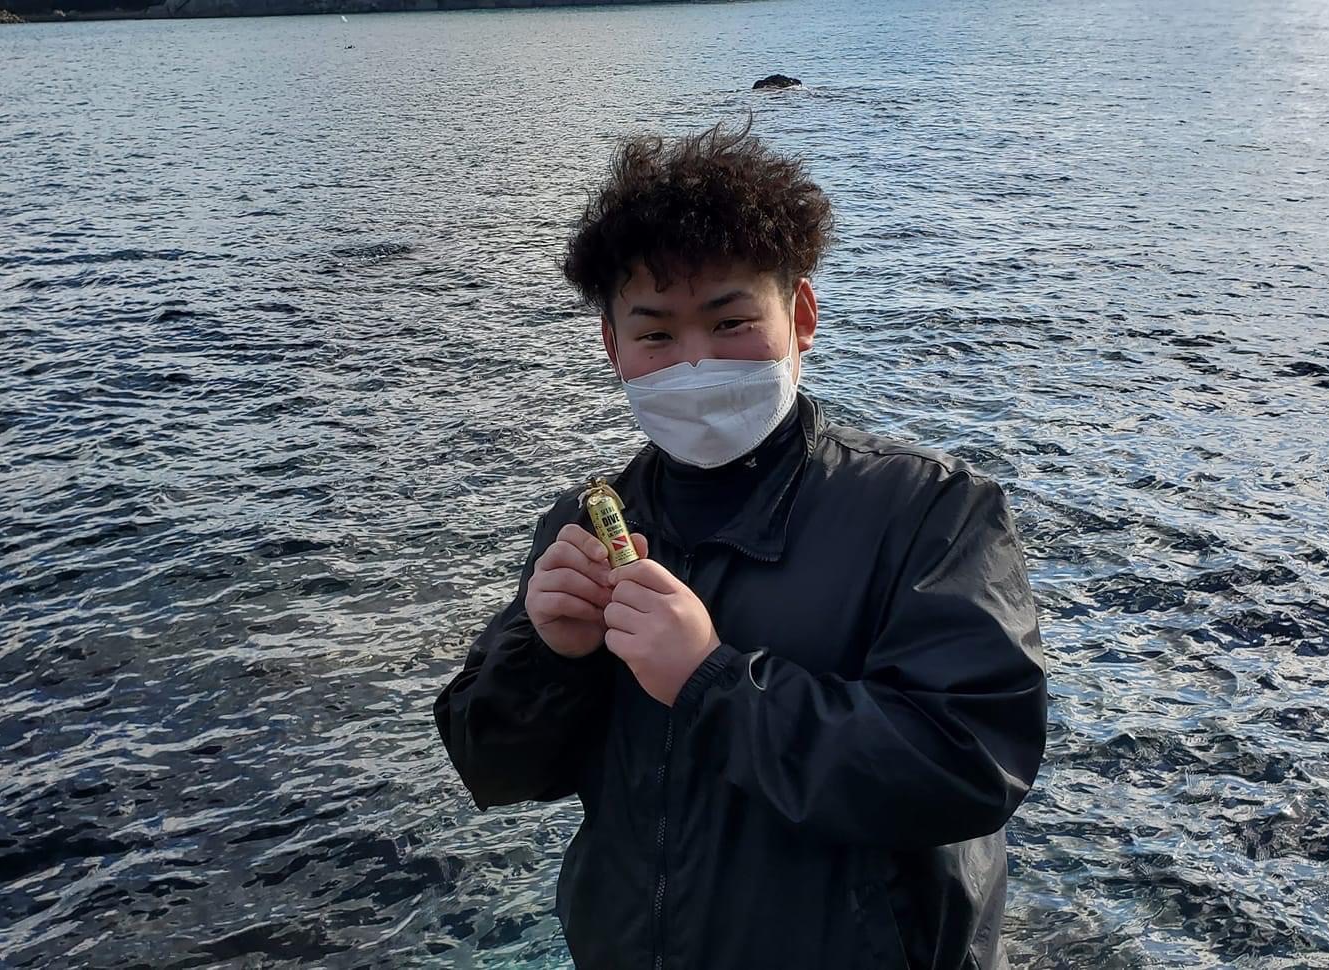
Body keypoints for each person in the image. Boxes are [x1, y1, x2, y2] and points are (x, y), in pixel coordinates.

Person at [434, 120, 1047, 970]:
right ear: (612, 345)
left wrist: (711, 683)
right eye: (656, 335)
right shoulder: (588, 521)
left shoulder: (929, 513)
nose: (696, 363)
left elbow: (968, 767)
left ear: (800, 317)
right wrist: (549, 656)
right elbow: (494, 770)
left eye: (730, 323)